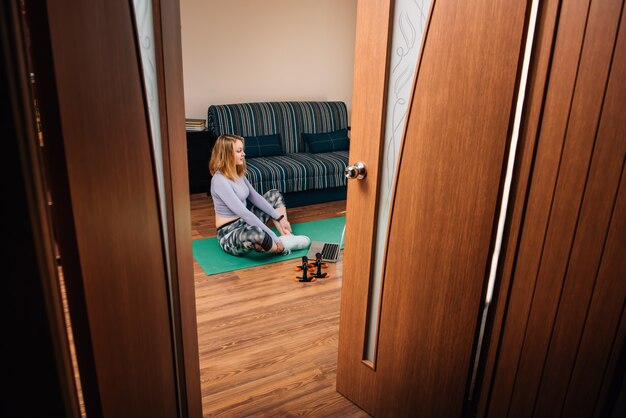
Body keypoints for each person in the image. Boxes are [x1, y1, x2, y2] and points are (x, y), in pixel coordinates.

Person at [209, 134, 310, 256]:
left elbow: (256, 197)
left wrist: (280, 218)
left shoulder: (238, 173)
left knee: (274, 195)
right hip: (229, 233)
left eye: (242, 150)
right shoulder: (219, 180)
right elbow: (244, 213)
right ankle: (283, 246)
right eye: (239, 151)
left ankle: (287, 236)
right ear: (227, 154)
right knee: (256, 233)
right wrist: (273, 236)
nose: (243, 154)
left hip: (244, 223)